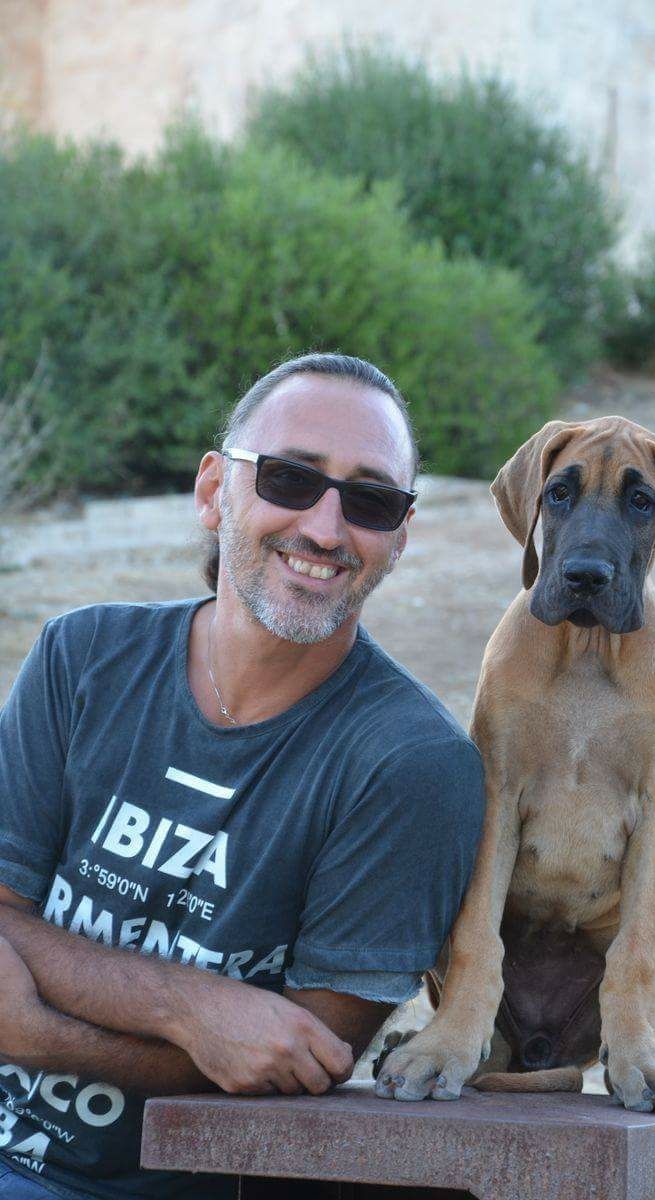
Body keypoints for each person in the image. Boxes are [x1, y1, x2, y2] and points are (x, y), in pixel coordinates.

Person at [0, 354, 485, 1200]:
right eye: (290, 479)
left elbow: (300, 1054)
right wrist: (192, 1009)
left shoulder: (410, 764)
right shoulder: (82, 657)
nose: (326, 530)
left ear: (399, 537)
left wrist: (33, 1031)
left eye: (370, 500)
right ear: (212, 490)